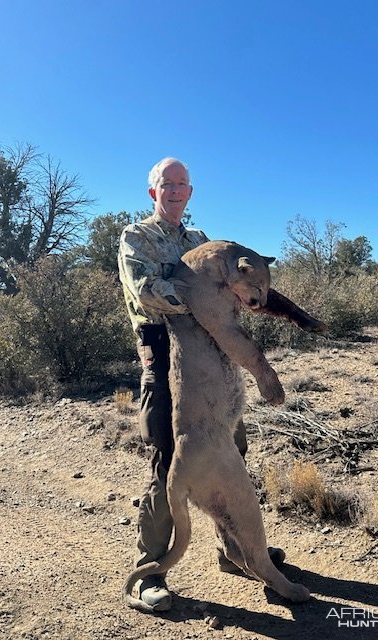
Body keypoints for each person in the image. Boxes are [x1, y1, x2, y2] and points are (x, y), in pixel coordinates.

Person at [118, 157, 282, 612]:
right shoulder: (137, 236)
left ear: (190, 192)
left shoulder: (200, 240)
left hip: (212, 357)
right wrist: (201, 300)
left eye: (182, 184)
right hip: (164, 351)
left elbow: (234, 289)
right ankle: (150, 572)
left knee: (231, 448)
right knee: (170, 458)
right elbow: (146, 289)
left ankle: (236, 551)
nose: (174, 191)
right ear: (154, 192)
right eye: (166, 184)